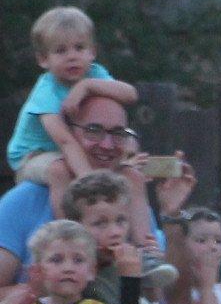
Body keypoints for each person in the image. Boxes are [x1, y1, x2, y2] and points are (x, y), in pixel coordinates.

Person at [0, 96, 192, 289]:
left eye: (118, 133)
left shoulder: (130, 204)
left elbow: (173, 301)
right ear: (69, 135)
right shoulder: (23, 201)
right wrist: (34, 291)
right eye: (93, 131)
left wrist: (171, 215)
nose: (107, 145)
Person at [9, 6, 139, 214]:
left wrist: (87, 86)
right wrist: (90, 181)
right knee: (59, 170)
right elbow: (64, 140)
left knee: (130, 170)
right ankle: (68, 225)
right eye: (61, 51)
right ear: (43, 59)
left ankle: (138, 233)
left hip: (73, 150)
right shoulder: (46, 92)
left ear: (92, 52)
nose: (72, 56)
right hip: (33, 155)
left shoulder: (95, 74)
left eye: (79, 48)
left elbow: (130, 94)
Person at [61, 170, 166, 304]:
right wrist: (130, 279)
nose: (115, 232)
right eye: (100, 223)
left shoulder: (123, 264)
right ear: (75, 228)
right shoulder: (77, 277)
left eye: (121, 221)